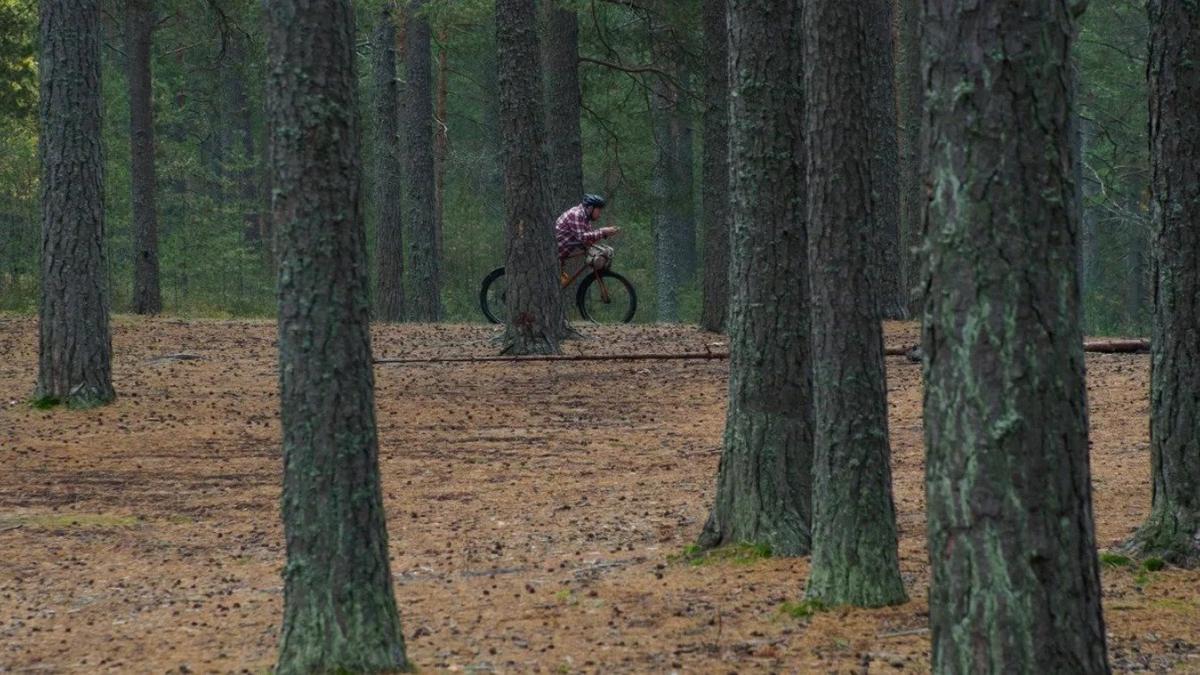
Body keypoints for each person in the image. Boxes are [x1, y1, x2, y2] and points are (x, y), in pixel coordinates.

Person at [554, 194, 620, 270]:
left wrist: (606, 233)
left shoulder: (585, 219)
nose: (600, 214)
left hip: (560, 256)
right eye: (598, 210)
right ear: (591, 208)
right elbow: (582, 237)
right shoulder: (576, 214)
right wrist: (603, 232)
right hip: (554, 256)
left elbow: (589, 239)